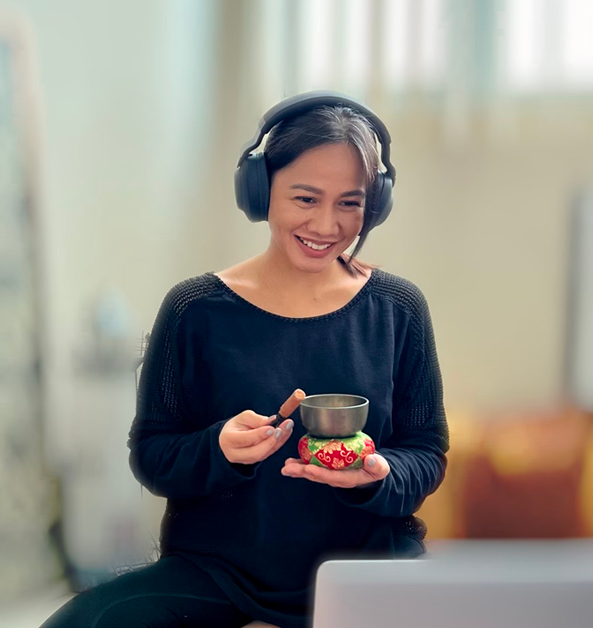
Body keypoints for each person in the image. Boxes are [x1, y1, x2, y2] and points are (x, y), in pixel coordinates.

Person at [41, 91, 449, 628]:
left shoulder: (399, 308)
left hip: (364, 564)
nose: (328, 226)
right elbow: (153, 456)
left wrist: (376, 474)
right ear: (260, 191)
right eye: (306, 199)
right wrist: (220, 449)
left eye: (350, 203)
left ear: (374, 204)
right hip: (219, 574)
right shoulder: (193, 309)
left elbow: (426, 452)